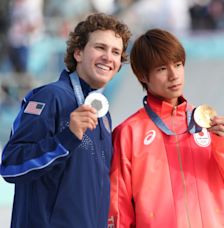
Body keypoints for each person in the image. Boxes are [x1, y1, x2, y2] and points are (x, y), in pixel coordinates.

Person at [107, 28, 224, 227]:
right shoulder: (128, 133)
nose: (174, 75)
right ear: (143, 76)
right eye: (162, 69)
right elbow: (118, 206)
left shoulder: (209, 124)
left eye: (178, 64)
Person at [0, 13, 131, 227]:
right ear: (78, 53)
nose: (109, 57)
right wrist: (65, 138)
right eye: (100, 47)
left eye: (116, 52)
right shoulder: (50, 97)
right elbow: (11, 165)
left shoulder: (103, 114)